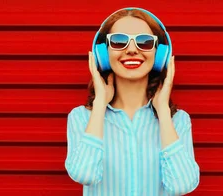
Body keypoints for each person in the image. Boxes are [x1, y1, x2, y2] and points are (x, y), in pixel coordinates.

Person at [64, 7, 200, 196]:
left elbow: (182, 186)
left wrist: (162, 111)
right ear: (102, 53)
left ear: (160, 54)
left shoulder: (178, 121)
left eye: (144, 42)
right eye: (119, 41)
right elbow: (84, 174)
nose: (131, 50)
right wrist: (100, 104)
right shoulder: (81, 118)